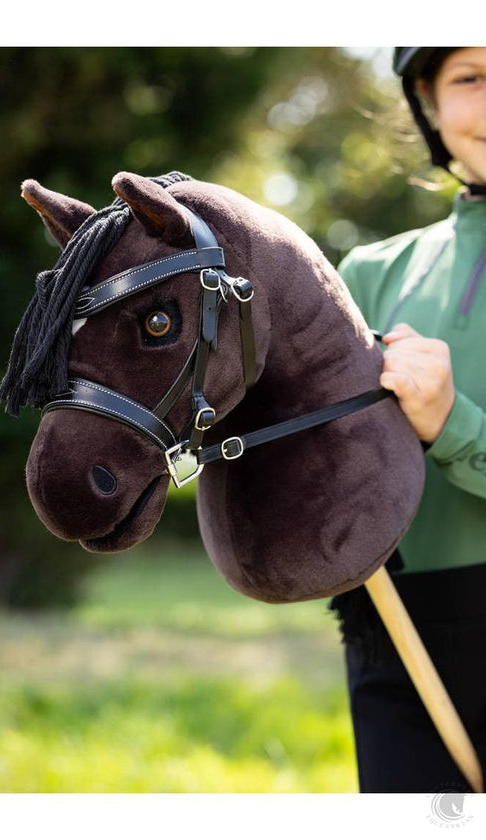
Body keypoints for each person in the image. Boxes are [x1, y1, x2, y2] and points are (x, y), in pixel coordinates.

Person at [330, 47, 486, 793]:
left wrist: (452, 423)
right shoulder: (368, 273)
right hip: (397, 627)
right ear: (427, 98)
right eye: (471, 78)